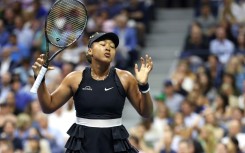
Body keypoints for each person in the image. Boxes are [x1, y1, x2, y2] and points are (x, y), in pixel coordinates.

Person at [31, 32, 154, 153]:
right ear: (90, 51)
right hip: (82, 146)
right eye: (102, 44)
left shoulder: (125, 77)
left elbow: (146, 113)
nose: (108, 48)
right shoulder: (74, 78)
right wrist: (40, 79)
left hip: (115, 145)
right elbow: (48, 106)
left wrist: (144, 86)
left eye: (112, 46)